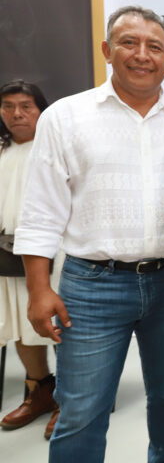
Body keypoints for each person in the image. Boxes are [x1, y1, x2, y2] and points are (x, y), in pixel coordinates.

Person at [13, 6, 164, 462]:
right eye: (129, 43)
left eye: (154, 47)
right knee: (82, 409)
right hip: (90, 288)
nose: (142, 55)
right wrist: (39, 290)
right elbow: (40, 211)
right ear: (106, 50)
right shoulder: (65, 118)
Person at [0, 80, 59, 439]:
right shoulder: (2, 151)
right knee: (21, 323)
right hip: (6, 256)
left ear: (41, 110)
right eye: (8, 106)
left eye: (26, 106)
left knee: (57, 324)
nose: (17, 114)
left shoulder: (53, 149)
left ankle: (69, 398)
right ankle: (39, 391)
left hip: (55, 254)